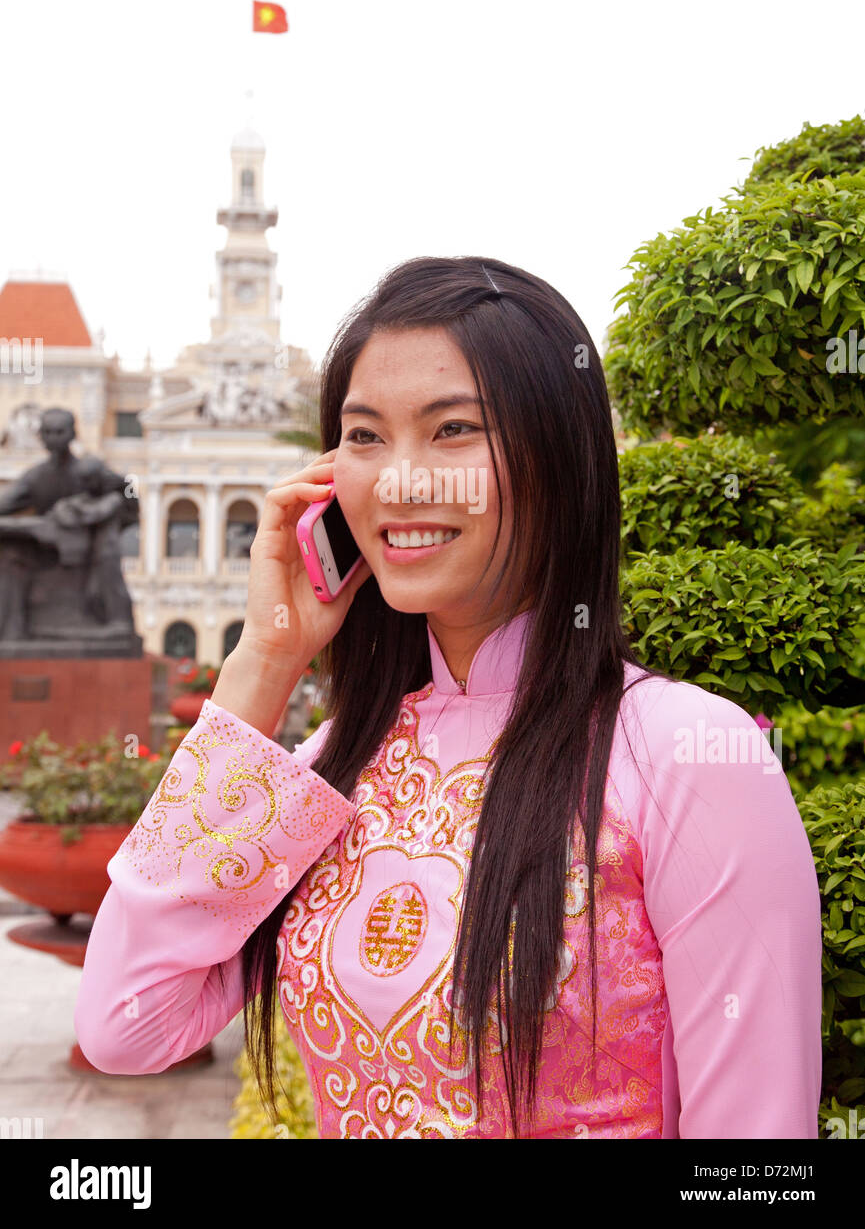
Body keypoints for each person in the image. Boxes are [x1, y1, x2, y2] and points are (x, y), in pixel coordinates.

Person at [74, 256, 823, 1139]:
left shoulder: (685, 756)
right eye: (363, 436)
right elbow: (124, 1027)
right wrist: (265, 660)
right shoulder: (330, 776)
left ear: (558, 456)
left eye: (453, 429)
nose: (400, 481)